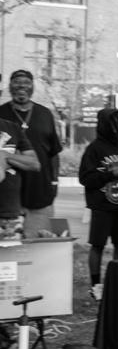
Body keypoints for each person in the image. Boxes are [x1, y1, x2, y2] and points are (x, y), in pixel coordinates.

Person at [79, 108, 118, 302]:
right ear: (105, 125)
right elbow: (85, 178)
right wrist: (109, 175)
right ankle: (96, 286)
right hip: (102, 206)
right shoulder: (95, 148)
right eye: (115, 123)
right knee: (98, 245)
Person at [0, 70, 63, 234]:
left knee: (39, 240)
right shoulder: (1, 113)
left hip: (40, 189)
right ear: (10, 87)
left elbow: (53, 152)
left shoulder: (45, 114)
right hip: (7, 194)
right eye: (17, 82)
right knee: (10, 244)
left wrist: (54, 182)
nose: (21, 86)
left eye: (26, 82)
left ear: (33, 87)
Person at [0, 118, 38, 240]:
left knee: (12, 251)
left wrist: (5, 156)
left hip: (10, 213)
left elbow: (34, 163)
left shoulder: (12, 128)